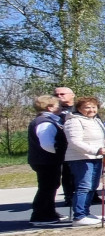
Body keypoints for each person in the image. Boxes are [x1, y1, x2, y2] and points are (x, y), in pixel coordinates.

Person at [64, 97, 105, 226]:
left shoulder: (95, 121)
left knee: (92, 187)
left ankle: (86, 212)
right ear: (79, 109)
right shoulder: (74, 121)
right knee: (84, 186)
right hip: (81, 158)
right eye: (87, 107)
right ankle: (79, 217)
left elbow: (103, 139)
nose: (91, 110)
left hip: (96, 157)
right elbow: (74, 142)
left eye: (94, 107)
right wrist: (96, 150)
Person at [27, 95, 67, 226]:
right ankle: (39, 215)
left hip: (47, 160)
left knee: (52, 185)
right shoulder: (45, 122)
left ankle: (49, 212)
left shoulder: (51, 119)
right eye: (58, 105)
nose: (60, 107)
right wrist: (60, 153)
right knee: (46, 187)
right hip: (45, 160)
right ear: (49, 108)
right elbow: (47, 144)